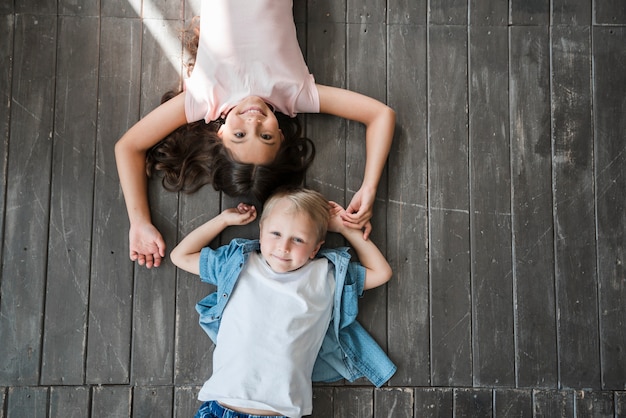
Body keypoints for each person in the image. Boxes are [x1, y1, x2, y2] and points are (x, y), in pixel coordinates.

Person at [114, 0, 396, 268]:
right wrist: (369, 187)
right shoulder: (295, 94)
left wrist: (139, 222)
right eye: (266, 137)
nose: (253, 122)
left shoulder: (203, 98)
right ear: (281, 137)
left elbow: (128, 147)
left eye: (239, 135)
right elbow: (381, 115)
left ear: (221, 134)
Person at [170, 188, 396, 418]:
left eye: (298, 239)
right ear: (261, 232)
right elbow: (180, 256)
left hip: (281, 412)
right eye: (275, 233)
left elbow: (381, 272)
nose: (283, 246)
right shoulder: (238, 263)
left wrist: (344, 228)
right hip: (221, 407)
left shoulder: (326, 275)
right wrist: (223, 220)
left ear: (315, 248)